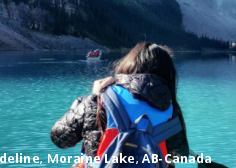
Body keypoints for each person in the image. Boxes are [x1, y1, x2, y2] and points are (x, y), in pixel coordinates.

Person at [50, 42, 189, 167]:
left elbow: (59, 139)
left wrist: (94, 98)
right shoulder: (170, 112)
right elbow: (180, 156)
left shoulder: (99, 101)